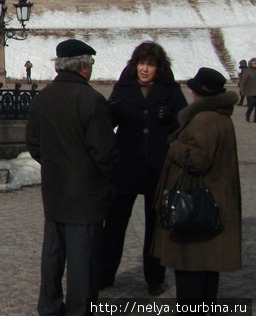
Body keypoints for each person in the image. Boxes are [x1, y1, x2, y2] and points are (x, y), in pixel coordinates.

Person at [26, 39, 119, 316]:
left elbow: (33, 143)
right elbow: (105, 151)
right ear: (82, 66)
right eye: (90, 65)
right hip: (86, 194)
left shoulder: (43, 97)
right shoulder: (91, 100)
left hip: (55, 190)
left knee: (53, 256)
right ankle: (80, 309)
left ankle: (50, 306)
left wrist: (55, 164)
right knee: (83, 260)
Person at [100, 42, 187, 295]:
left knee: (156, 225)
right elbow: (108, 121)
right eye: (141, 63)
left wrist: (170, 121)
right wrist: (110, 112)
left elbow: (183, 124)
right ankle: (105, 272)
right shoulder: (124, 86)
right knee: (115, 223)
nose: (145, 69)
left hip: (158, 166)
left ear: (159, 68)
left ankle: (154, 277)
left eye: (150, 64)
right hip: (126, 163)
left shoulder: (170, 90)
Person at [152, 68, 241, 302]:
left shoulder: (204, 119)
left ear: (198, 93)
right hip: (213, 201)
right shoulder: (219, 116)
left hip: (196, 205)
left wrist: (175, 147)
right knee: (207, 276)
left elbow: (198, 160)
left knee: (191, 275)